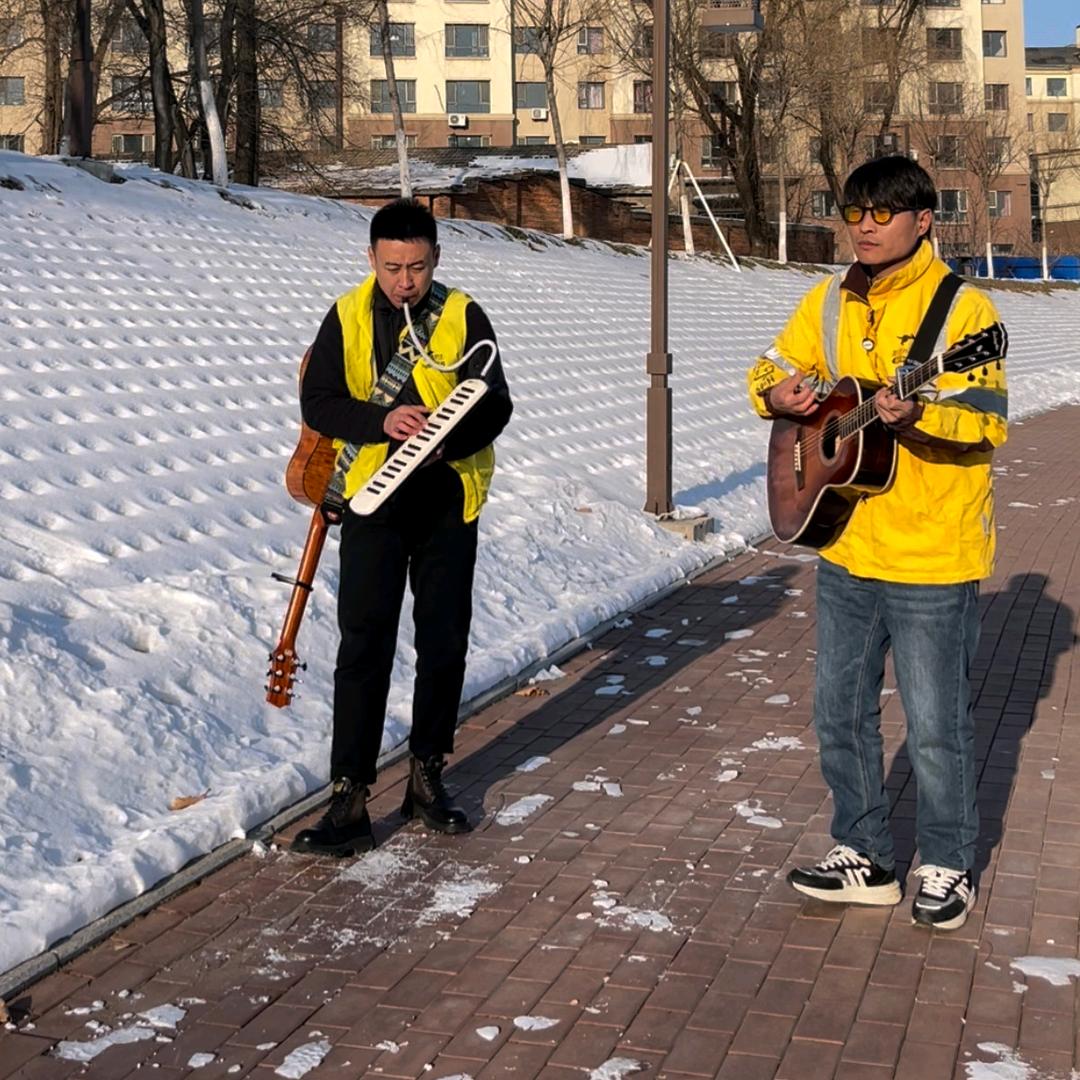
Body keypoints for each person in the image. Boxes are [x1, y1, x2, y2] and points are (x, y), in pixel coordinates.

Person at [747, 156, 1007, 930]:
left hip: (933, 553)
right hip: (848, 544)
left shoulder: (964, 314)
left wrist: (917, 416)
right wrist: (776, 393)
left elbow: (986, 420)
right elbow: (773, 363)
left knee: (935, 726)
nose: (864, 225)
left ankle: (947, 861)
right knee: (839, 714)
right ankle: (863, 853)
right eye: (854, 212)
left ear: (924, 220)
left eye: (882, 213)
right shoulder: (826, 300)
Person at [292, 198, 513, 856]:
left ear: (436, 259)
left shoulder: (465, 314)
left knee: (443, 643)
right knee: (363, 647)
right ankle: (349, 798)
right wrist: (380, 423)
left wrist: (449, 437)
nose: (405, 281)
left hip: (447, 500)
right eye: (392, 267)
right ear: (371, 259)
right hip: (373, 503)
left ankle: (426, 779)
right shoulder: (347, 316)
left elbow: (496, 402)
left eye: (417, 266)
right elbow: (319, 401)